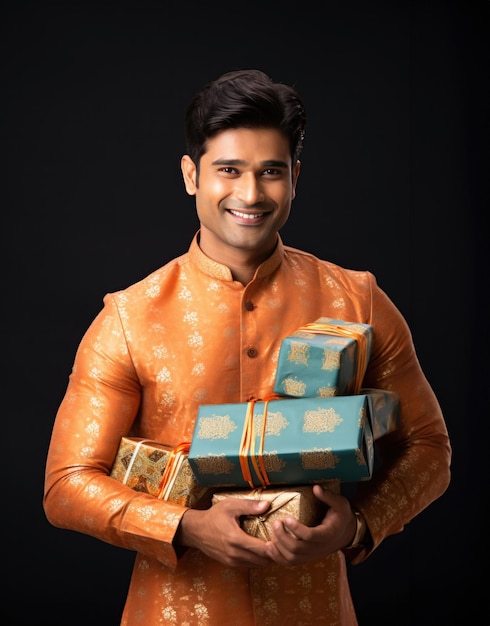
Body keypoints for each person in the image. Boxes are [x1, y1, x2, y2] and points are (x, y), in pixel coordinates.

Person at [43, 68, 451, 625]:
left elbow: (430, 447)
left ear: (296, 177)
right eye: (228, 170)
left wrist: (356, 525)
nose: (250, 194)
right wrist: (185, 527)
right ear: (191, 174)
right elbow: (67, 485)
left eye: (271, 172)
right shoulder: (129, 318)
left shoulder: (357, 300)